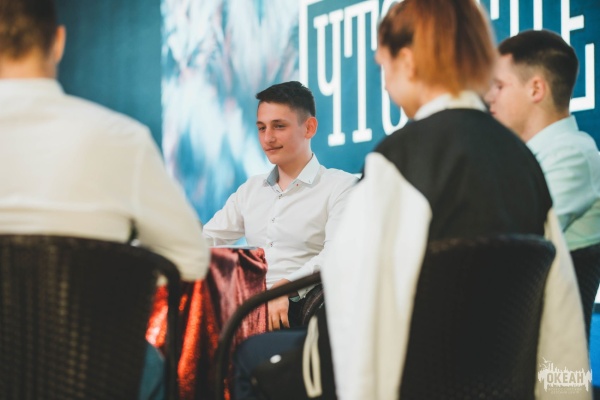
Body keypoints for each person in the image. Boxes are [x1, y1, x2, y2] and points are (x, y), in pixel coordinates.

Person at [232, 1, 590, 399]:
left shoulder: (398, 162)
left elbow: (353, 317)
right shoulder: (524, 164)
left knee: (249, 356)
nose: (385, 83)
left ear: (407, 61)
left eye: (383, 66)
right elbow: (560, 319)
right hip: (495, 385)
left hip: (402, 381)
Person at [0, 0, 209, 398]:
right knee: (149, 365)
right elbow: (191, 259)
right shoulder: (121, 139)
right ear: (58, 42)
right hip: (84, 374)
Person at [203, 81, 357, 330]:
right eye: (261, 128)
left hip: (306, 308)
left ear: (309, 127)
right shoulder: (250, 190)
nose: (268, 138)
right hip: (247, 311)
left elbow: (336, 256)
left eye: (279, 126)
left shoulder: (341, 186)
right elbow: (207, 240)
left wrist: (286, 286)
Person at [485, 29, 600, 252]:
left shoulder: (572, 156)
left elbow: (514, 239)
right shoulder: (528, 158)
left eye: (499, 86)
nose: (489, 97)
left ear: (536, 89)